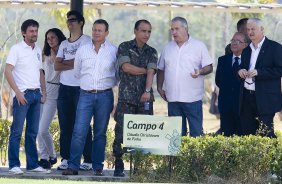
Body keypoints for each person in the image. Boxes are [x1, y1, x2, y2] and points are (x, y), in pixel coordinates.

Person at [62, 19, 117, 176]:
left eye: (100, 30)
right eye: (94, 30)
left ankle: (97, 167)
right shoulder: (83, 50)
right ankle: (73, 166)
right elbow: (77, 72)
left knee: (100, 132)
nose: (96, 33)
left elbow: (117, 75)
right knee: (79, 131)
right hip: (85, 95)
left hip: (105, 96)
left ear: (106, 33)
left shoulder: (113, 50)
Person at [113, 19, 158, 177]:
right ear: (135, 31)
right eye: (143, 31)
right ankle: (119, 164)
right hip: (126, 98)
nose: (146, 34)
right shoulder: (124, 47)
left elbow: (151, 72)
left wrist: (147, 91)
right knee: (121, 131)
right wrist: (145, 69)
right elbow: (126, 68)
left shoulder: (152, 51)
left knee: (144, 133)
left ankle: (140, 168)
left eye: (149, 31)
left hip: (144, 98)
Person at [5, 19, 50, 174]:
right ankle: (14, 165)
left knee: (32, 132)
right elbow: (7, 71)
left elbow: (40, 72)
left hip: (36, 95)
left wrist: (43, 92)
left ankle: (32, 164)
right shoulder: (16, 49)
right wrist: (17, 92)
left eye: (36, 31)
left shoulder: (38, 50)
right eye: (31, 31)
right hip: (22, 95)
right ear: (24, 33)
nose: (34, 33)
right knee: (17, 131)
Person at [157, 16, 213, 137]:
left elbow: (210, 67)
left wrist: (200, 71)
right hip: (173, 99)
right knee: (176, 136)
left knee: (196, 134)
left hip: (192, 99)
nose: (173, 32)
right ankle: (178, 157)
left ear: (186, 29)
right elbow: (161, 69)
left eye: (176, 29)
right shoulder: (167, 48)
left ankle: (195, 157)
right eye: (172, 29)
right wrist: (159, 87)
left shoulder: (199, 46)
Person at [55, 10, 92, 170]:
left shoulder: (87, 41)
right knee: (65, 125)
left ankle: (88, 160)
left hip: (81, 89)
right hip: (64, 88)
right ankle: (66, 158)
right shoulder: (63, 44)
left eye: (73, 20)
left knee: (83, 125)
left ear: (81, 22)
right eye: (68, 20)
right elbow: (57, 65)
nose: (70, 23)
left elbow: (83, 63)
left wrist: (67, 62)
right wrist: (75, 61)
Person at [238, 18, 282, 137]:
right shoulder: (246, 50)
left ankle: (270, 156)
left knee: (266, 133)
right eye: (248, 29)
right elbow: (242, 67)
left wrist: (259, 72)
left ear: (262, 29)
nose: (250, 32)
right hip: (247, 97)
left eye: (253, 29)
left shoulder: (275, 47)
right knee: (248, 132)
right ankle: (251, 156)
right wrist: (240, 71)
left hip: (266, 98)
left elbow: (280, 70)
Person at [37, 28, 66, 169]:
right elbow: (41, 71)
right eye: (48, 38)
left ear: (59, 38)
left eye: (53, 37)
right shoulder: (45, 53)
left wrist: (56, 53)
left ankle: (53, 155)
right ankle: (44, 157)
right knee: (38, 129)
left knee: (43, 129)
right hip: (42, 90)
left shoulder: (64, 53)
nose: (50, 40)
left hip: (55, 92)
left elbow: (58, 67)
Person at [215, 32, 248, 136]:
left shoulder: (250, 61)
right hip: (226, 106)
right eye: (232, 41)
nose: (234, 43)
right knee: (226, 136)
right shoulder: (222, 60)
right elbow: (218, 81)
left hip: (243, 106)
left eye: (238, 41)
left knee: (243, 136)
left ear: (245, 44)